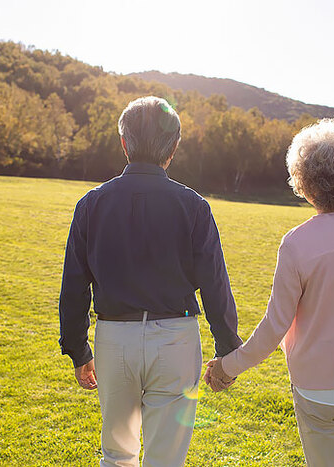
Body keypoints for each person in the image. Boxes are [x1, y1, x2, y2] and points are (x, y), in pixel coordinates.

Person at [205, 118, 334, 467]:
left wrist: (228, 367)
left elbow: (274, 327)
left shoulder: (296, 243)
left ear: (304, 184)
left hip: (321, 389)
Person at [59, 96, 243, 467]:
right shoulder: (193, 206)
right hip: (175, 339)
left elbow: (74, 284)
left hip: (115, 339)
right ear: (173, 148)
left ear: (124, 143)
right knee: (166, 458)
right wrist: (227, 348)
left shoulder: (91, 203)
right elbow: (214, 283)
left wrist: (78, 348)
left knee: (116, 453)